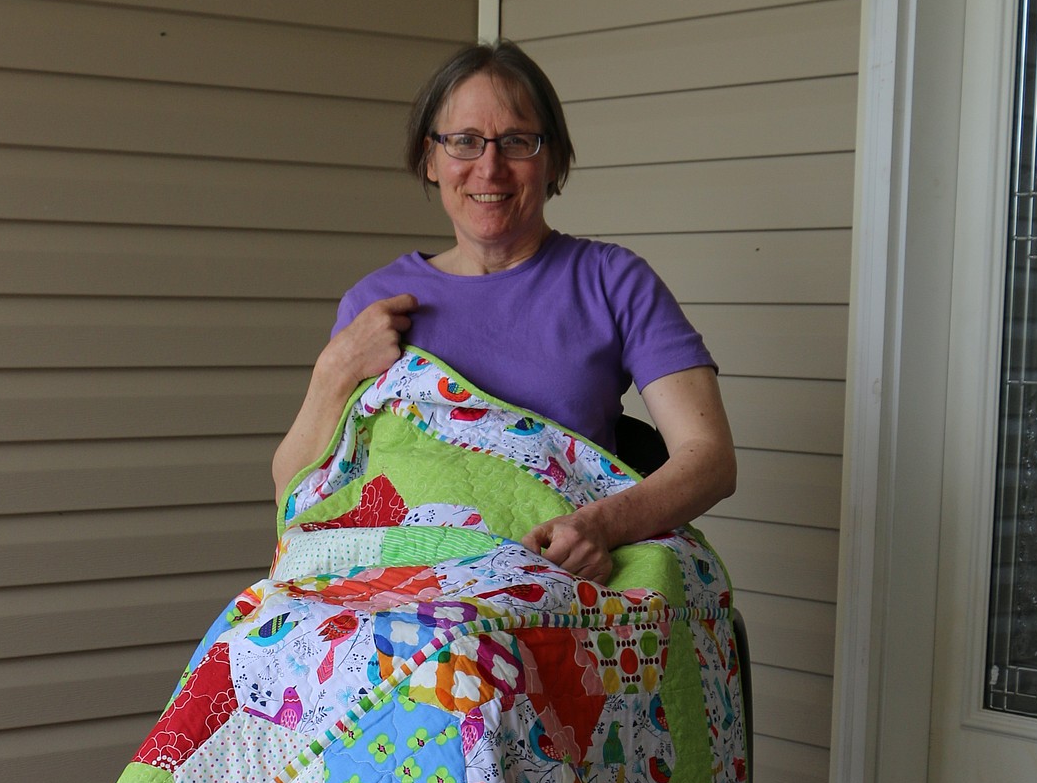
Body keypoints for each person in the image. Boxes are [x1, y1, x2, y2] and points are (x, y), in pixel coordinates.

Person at [271, 40, 736, 585]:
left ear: (553, 158)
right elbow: (294, 491)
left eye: (516, 141)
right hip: (397, 582)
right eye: (464, 142)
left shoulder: (613, 281)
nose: (489, 167)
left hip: (560, 576)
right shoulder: (375, 302)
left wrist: (601, 524)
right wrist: (336, 370)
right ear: (430, 158)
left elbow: (709, 457)